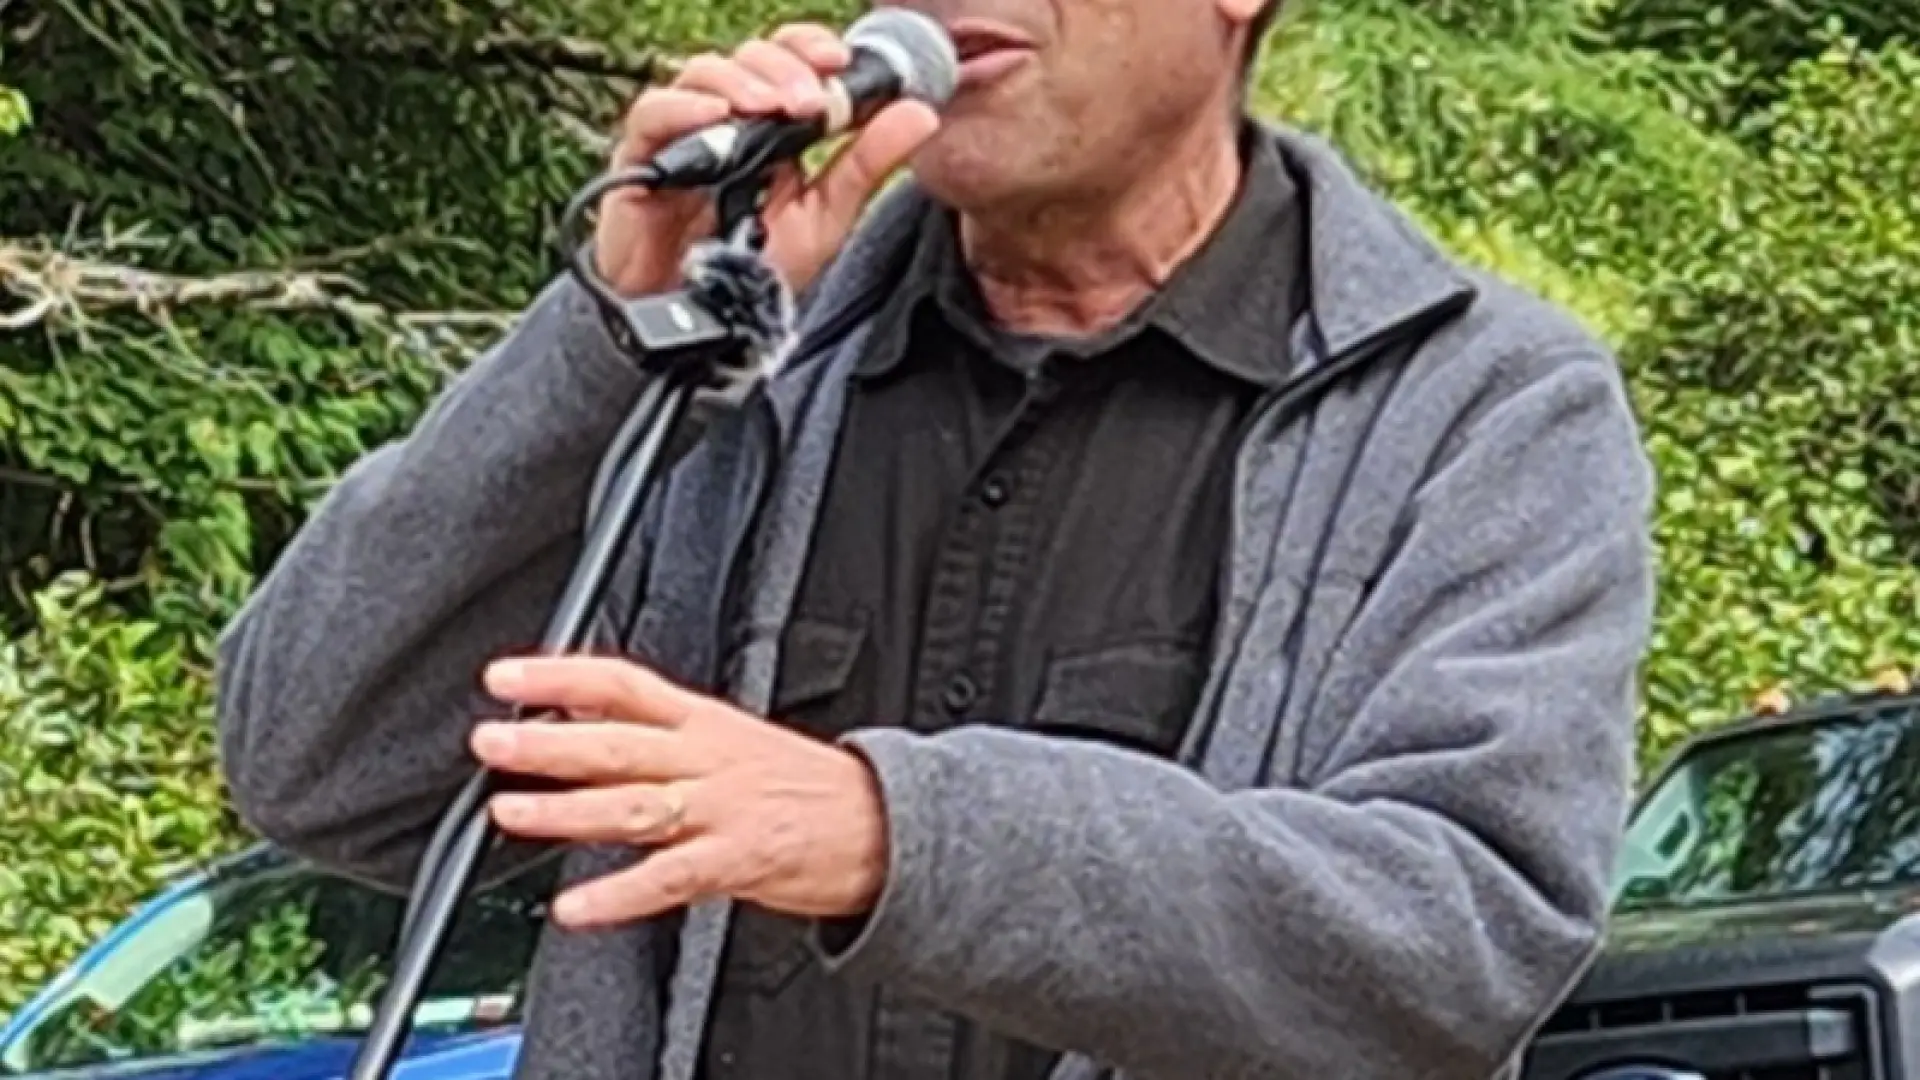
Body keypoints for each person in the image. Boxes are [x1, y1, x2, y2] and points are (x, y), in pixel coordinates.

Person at [214, 0, 1657, 1076]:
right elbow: (316, 763)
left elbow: (1461, 933)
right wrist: (614, 340)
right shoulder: (744, 361)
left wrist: (891, 833)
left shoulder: (1483, 404)